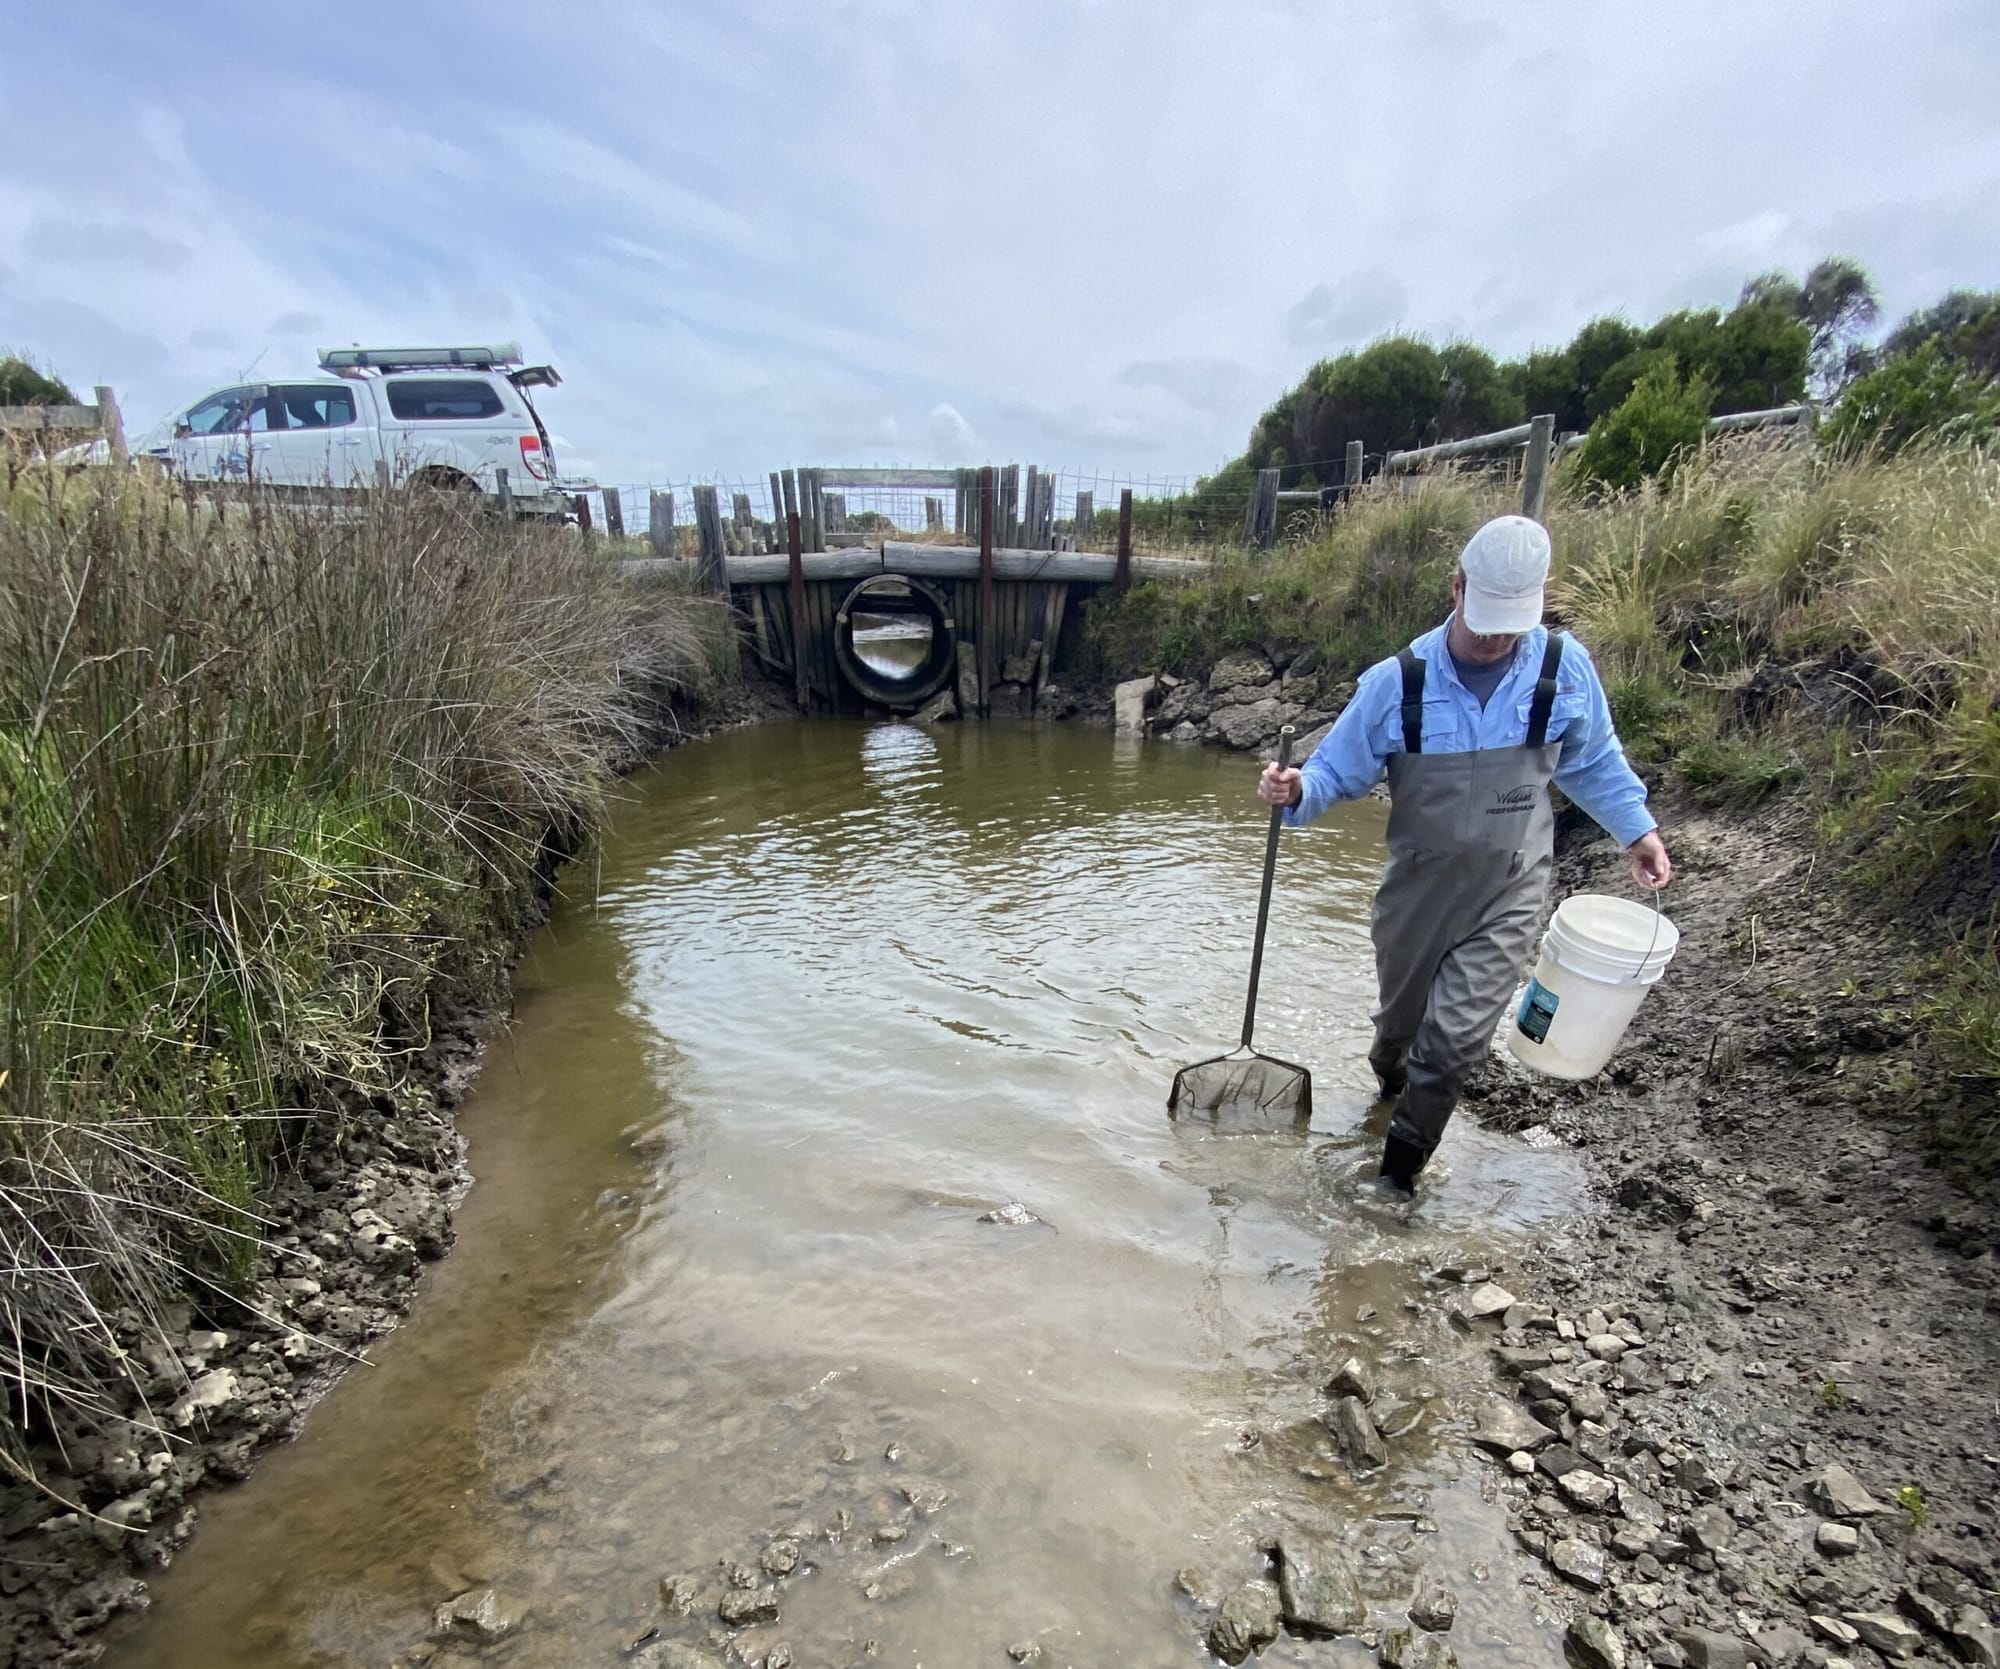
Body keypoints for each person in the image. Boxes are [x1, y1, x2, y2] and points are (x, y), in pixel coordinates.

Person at [1256, 515, 1671, 1195]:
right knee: (1400, 1035)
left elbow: (1595, 761)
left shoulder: (1564, 671)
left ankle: (1394, 1180)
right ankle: (1392, 1082)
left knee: (1452, 1043)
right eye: (1484, 622)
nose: (1495, 639)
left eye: (1510, 625)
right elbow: (1335, 772)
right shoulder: (1397, 683)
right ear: (1456, 588)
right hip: (1415, 892)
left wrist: (1639, 830)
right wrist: (1295, 788)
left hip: (1511, 888)